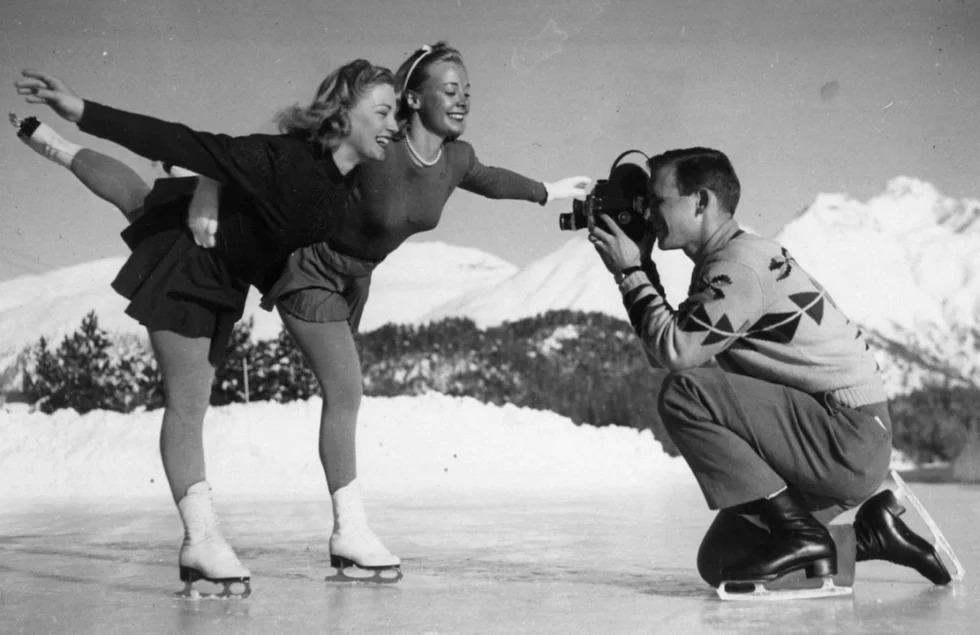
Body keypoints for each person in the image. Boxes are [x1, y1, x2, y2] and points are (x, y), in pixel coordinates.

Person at [184, 41, 592, 576]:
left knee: (343, 392)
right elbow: (272, 154)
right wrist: (209, 188)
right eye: (450, 90)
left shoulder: (457, 159)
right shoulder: (379, 142)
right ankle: (349, 531)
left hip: (356, 280)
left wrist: (548, 191)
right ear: (415, 99)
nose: (463, 100)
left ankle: (344, 529)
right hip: (311, 267)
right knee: (346, 390)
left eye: (468, 92)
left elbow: (491, 181)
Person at [13, 60, 399, 598]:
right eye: (383, 111)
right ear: (342, 114)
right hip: (188, 264)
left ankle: (54, 147)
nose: (394, 124)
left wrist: (212, 189)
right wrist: (82, 110)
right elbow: (187, 140)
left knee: (136, 198)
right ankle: (200, 540)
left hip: (226, 272)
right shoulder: (284, 159)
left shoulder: (342, 187)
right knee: (189, 401)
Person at [588, 147, 952, 597]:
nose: (648, 212)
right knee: (723, 563)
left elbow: (677, 356)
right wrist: (639, 270)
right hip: (838, 439)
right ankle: (870, 536)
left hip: (846, 438)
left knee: (684, 392)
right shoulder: (731, 258)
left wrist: (631, 271)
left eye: (657, 201)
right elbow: (664, 345)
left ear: (700, 201)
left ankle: (801, 534)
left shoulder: (738, 267)